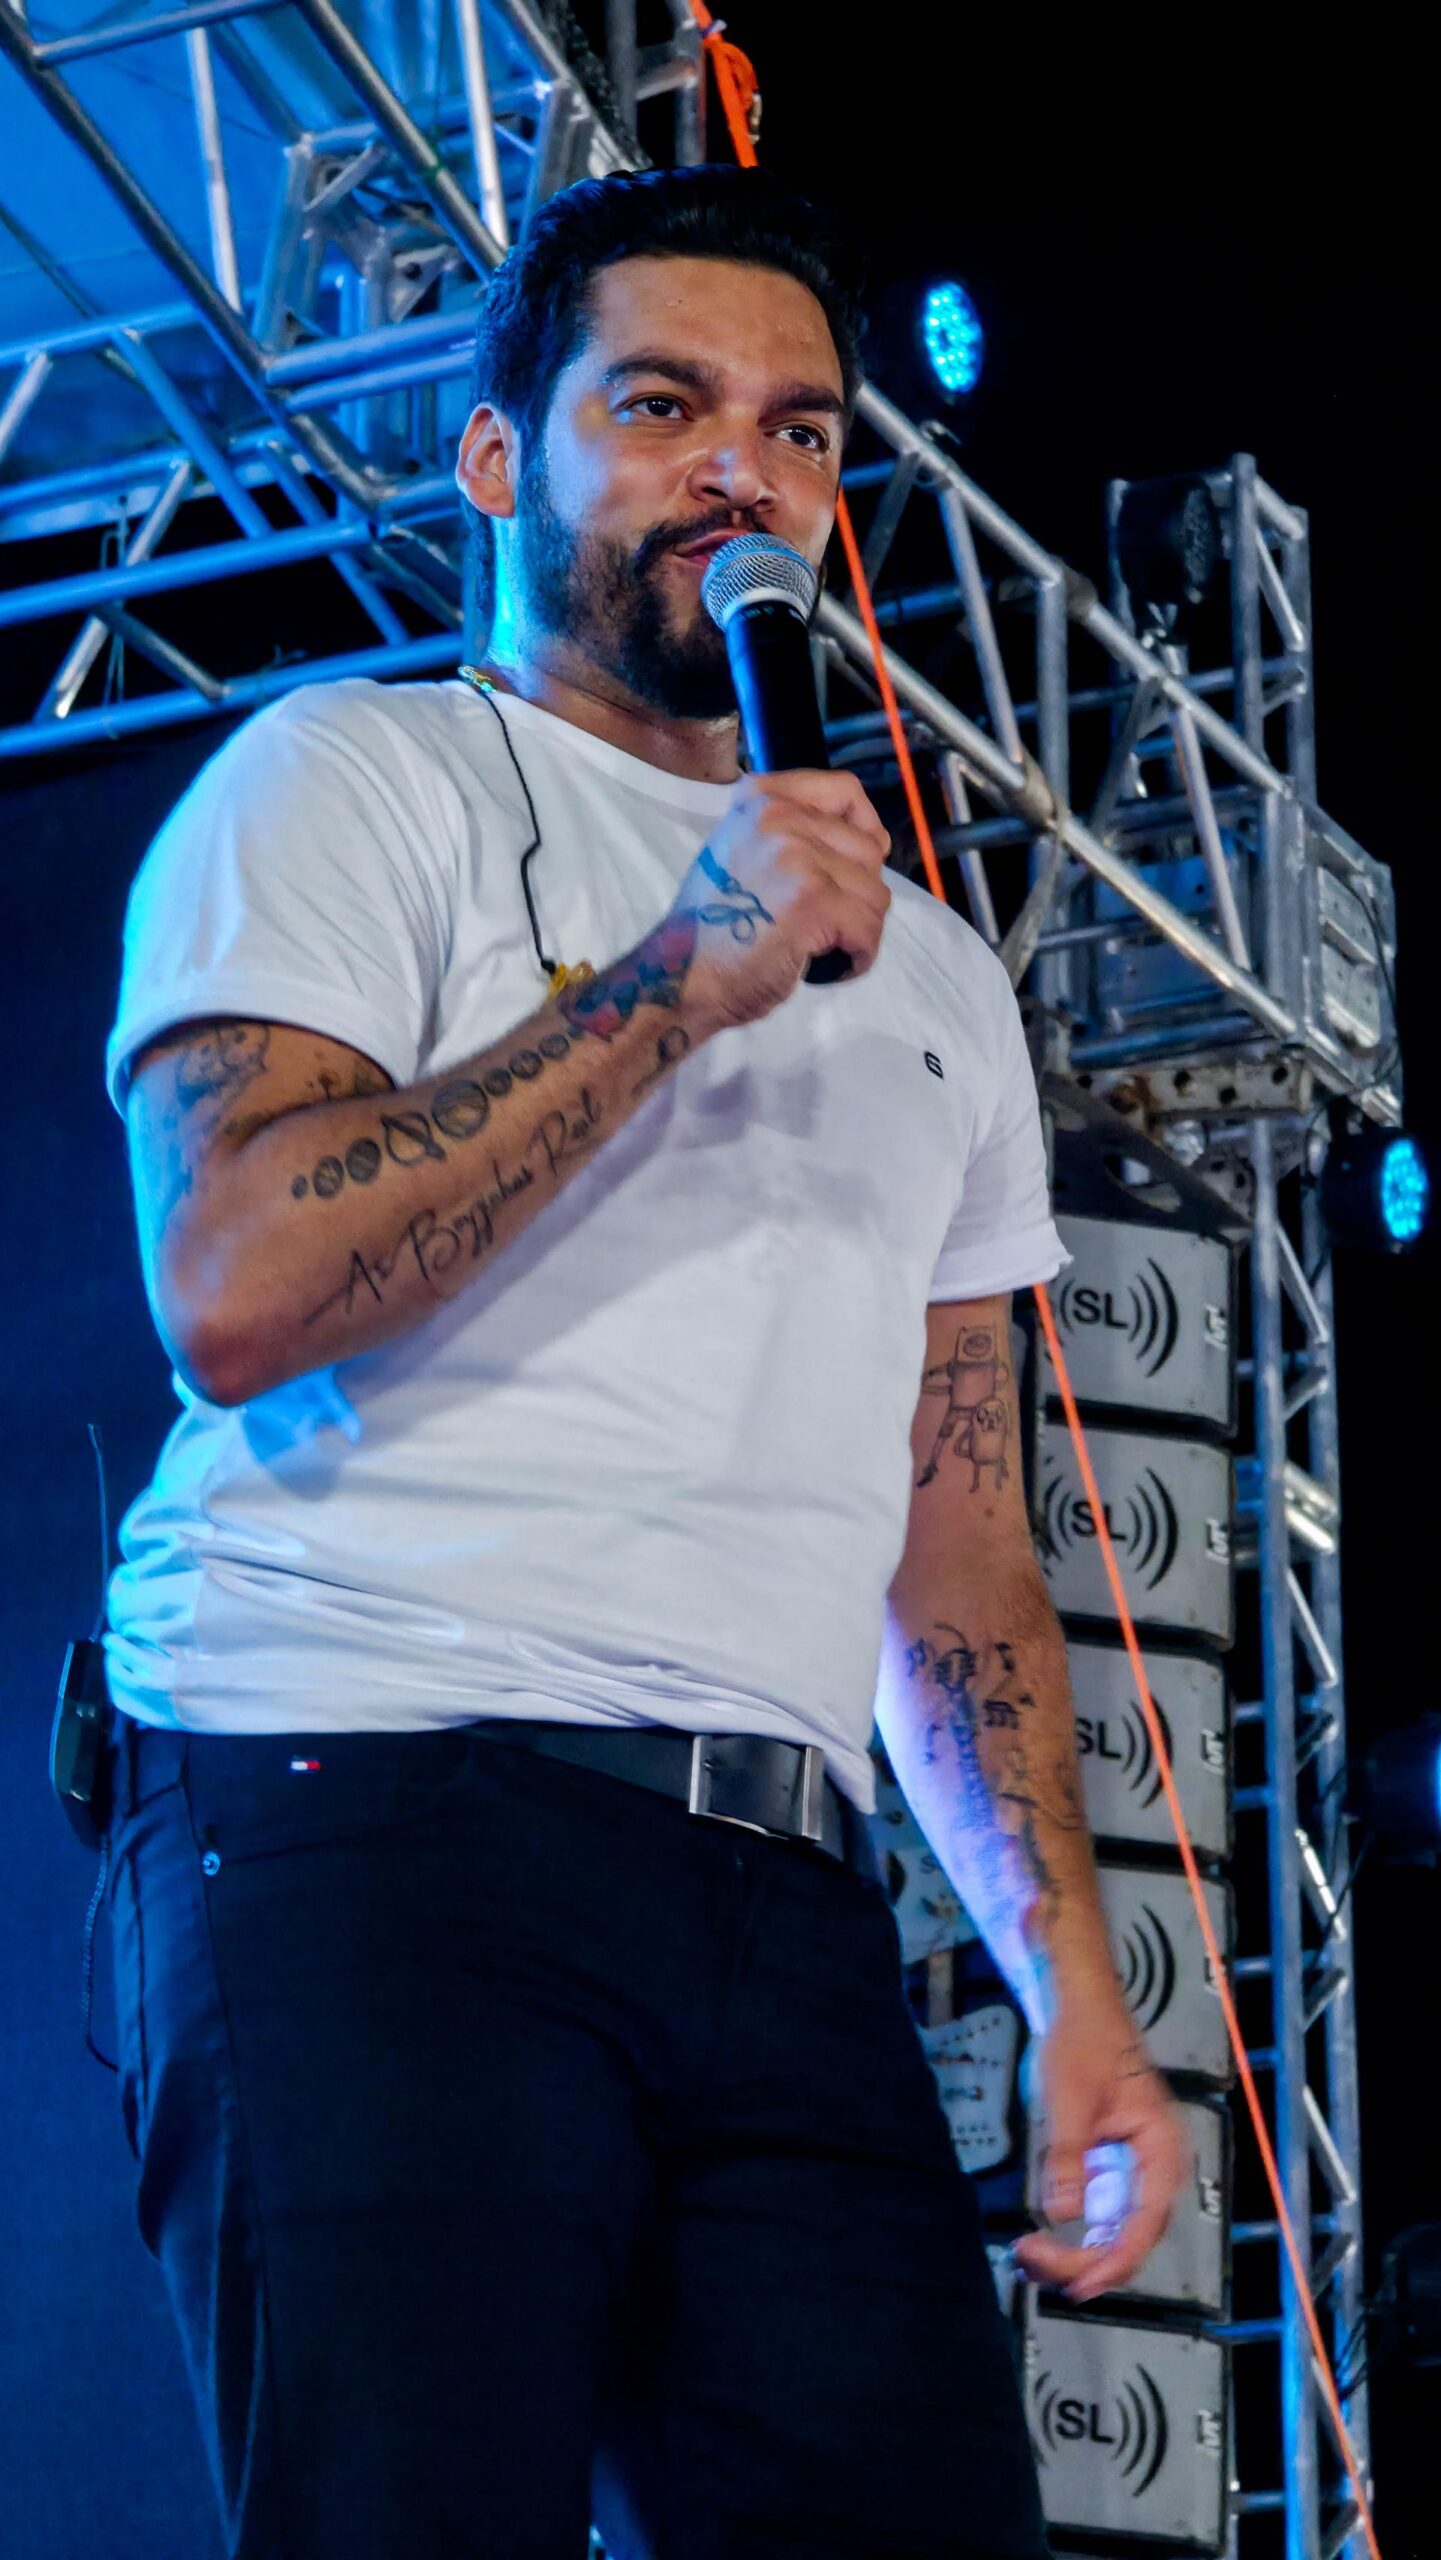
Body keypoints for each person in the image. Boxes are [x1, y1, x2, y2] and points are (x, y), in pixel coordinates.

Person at [102, 164, 1186, 2560]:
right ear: (500, 454)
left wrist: (1074, 1988)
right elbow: (235, 1283)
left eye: (797, 431)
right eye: (663, 403)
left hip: (779, 1883)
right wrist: (678, 977)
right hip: (372, 1791)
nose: (741, 472)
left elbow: (959, 1543)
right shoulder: (345, 779)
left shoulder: (931, 975)